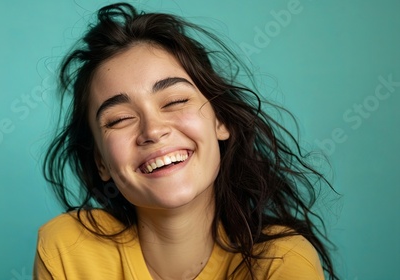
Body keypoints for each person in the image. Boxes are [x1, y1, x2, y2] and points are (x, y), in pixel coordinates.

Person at [34, 2, 338, 279]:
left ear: (221, 121)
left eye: (176, 100)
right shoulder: (67, 248)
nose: (152, 130)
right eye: (119, 119)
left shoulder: (282, 260)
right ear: (101, 162)